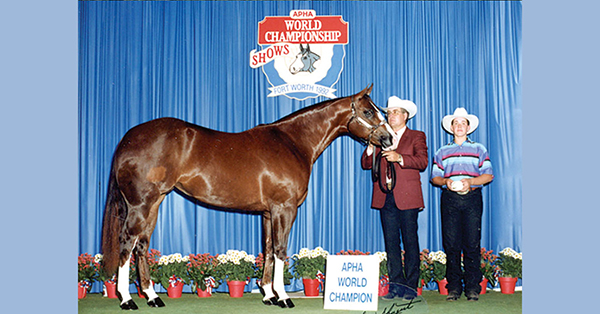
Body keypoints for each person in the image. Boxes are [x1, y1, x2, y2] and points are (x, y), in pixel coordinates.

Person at [361, 96, 428, 300]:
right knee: (391, 243)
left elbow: (423, 161)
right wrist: (371, 149)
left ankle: (410, 286)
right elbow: (366, 164)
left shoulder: (416, 136)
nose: (391, 116)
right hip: (385, 195)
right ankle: (396, 286)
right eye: (389, 112)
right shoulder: (380, 135)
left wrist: (400, 158)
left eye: (396, 112)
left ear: (405, 116)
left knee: (410, 242)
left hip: (407, 197)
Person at [430, 108, 494, 302]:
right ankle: (454, 287)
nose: (459, 126)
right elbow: (435, 177)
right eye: (456, 123)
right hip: (449, 199)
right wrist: (446, 182)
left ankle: (473, 287)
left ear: (468, 127)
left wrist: (470, 182)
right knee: (451, 244)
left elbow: (488, 175)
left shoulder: (479, 149)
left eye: (462, 123)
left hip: (472, 198)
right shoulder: (442, 151)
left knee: (472, 243)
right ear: (451, 127)